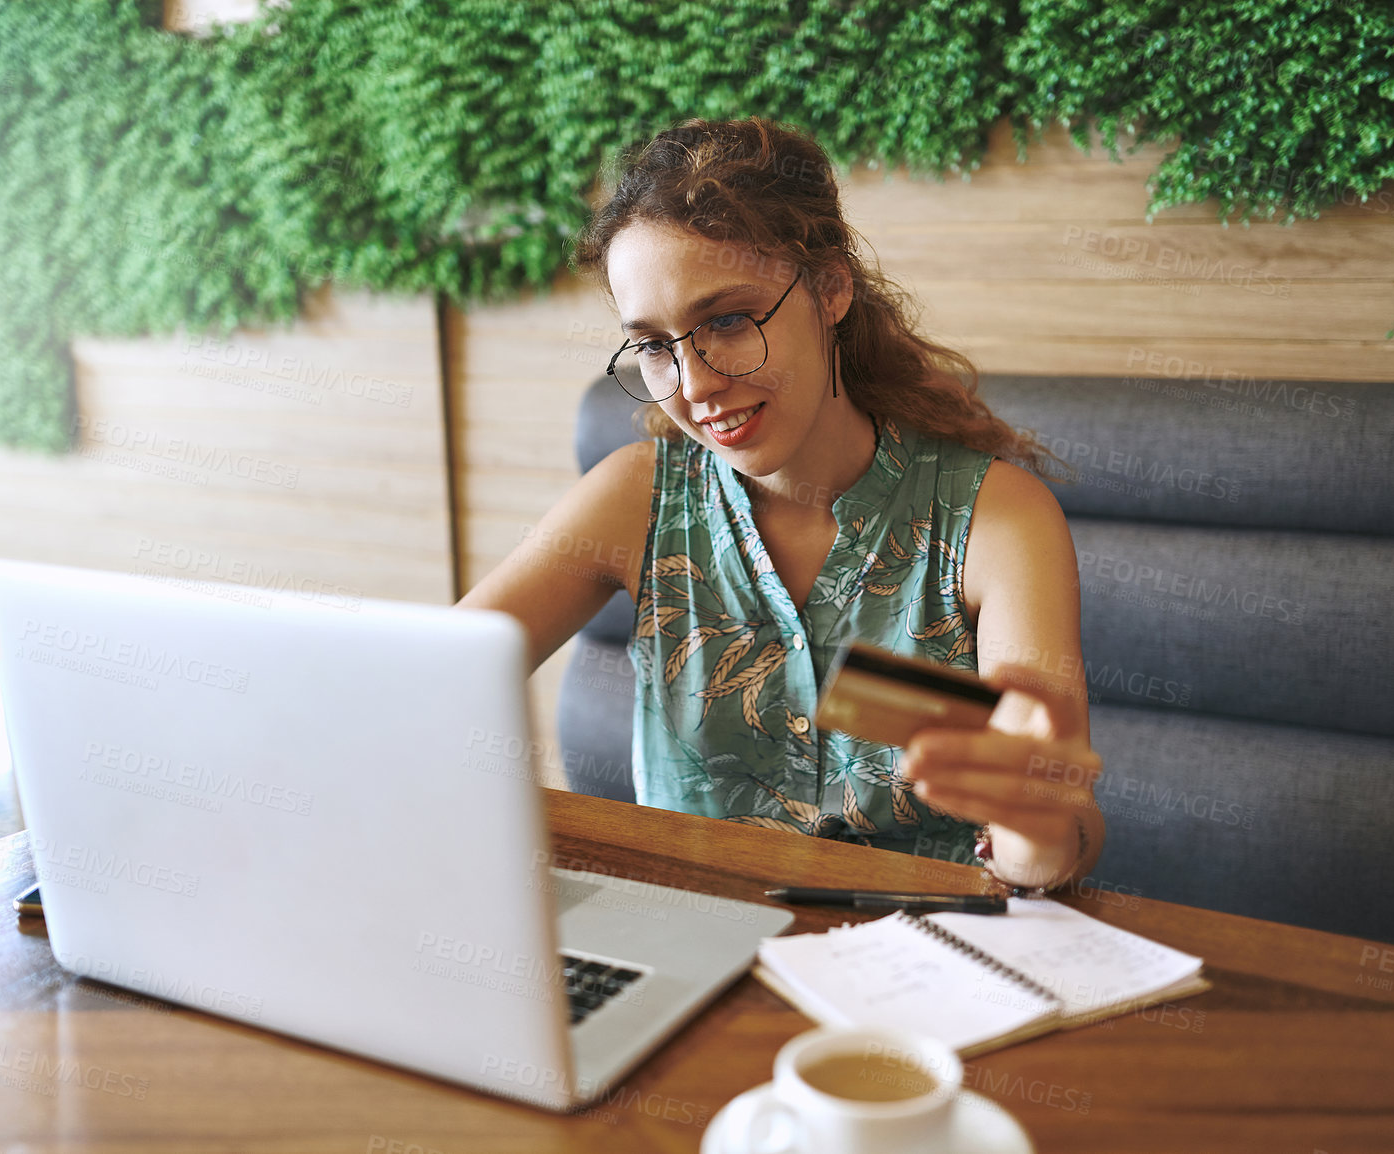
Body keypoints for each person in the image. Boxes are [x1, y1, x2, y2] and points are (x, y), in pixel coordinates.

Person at [459, 117, 1103, 895]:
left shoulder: (998, 522)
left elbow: (1059, 840)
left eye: (727, 321)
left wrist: (1032, 822)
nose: (693, 388)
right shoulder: (634, 498)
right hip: (693, 951)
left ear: (831, 289)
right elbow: (428, 681)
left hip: (925, 965)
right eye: (657, 345)